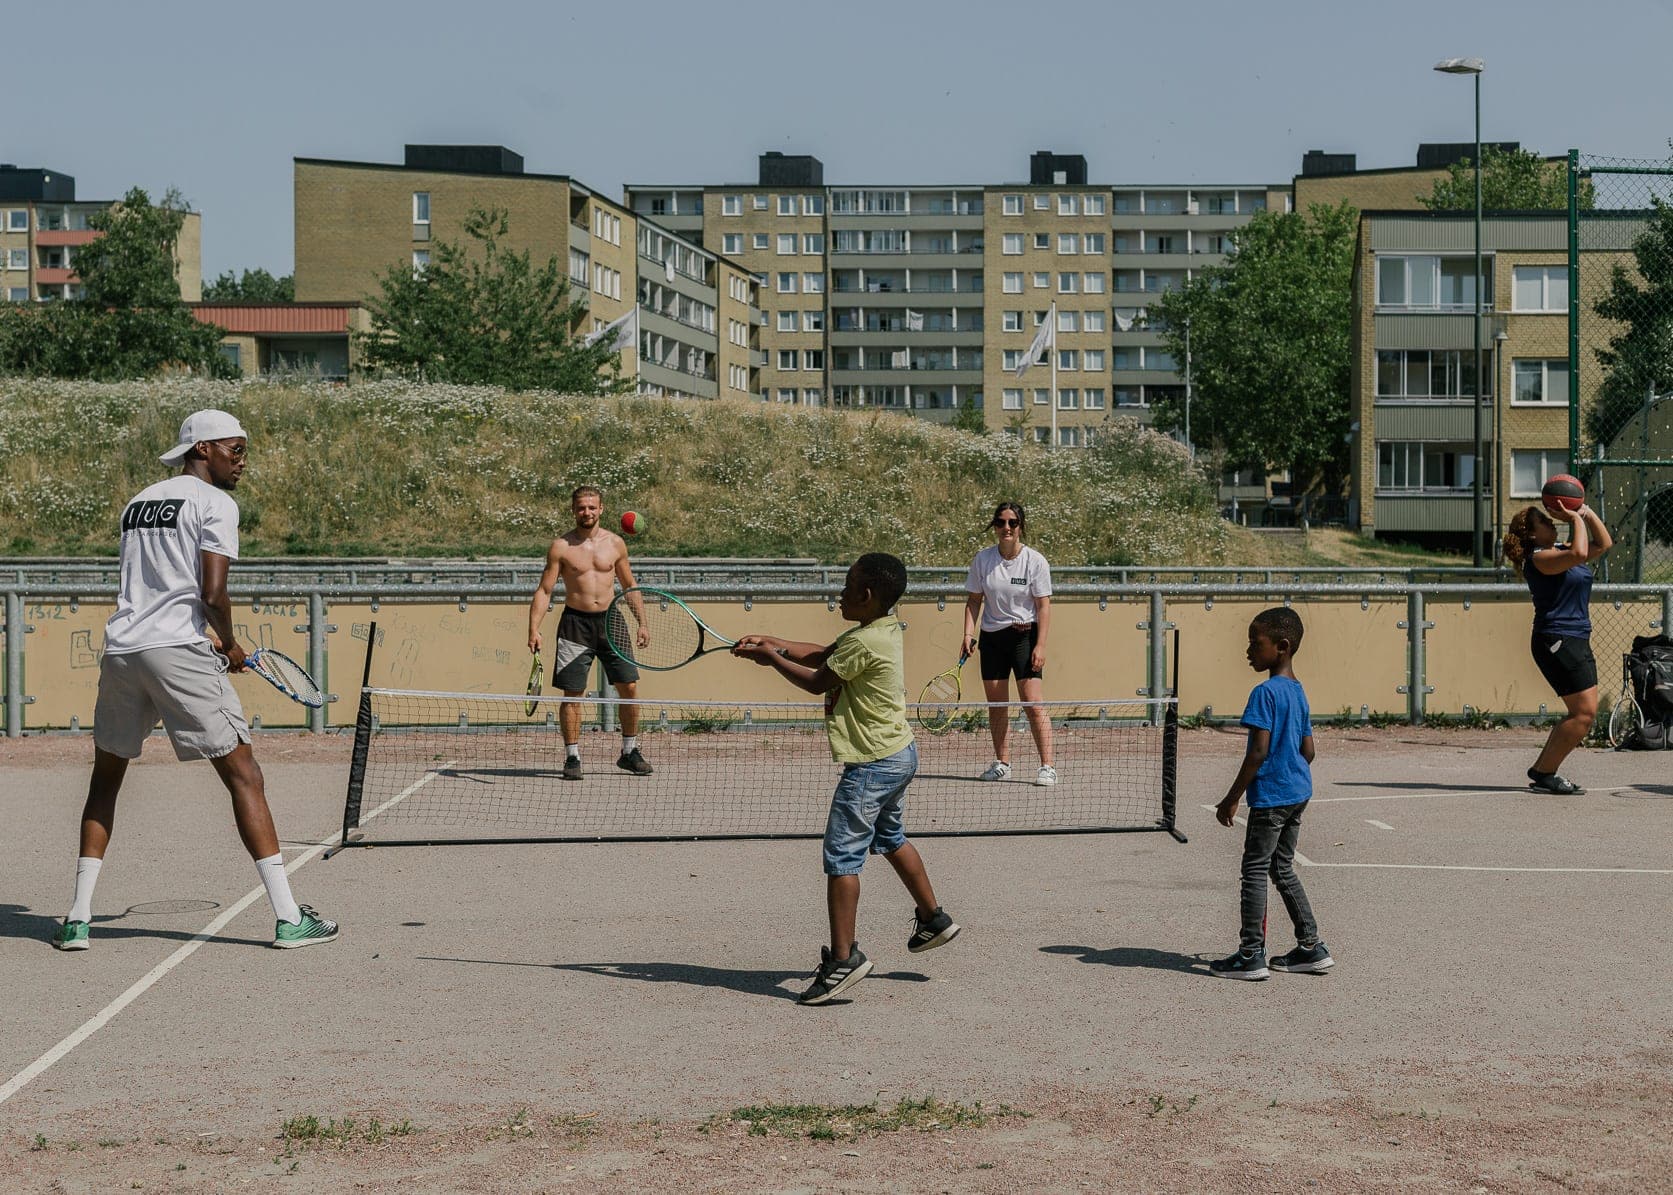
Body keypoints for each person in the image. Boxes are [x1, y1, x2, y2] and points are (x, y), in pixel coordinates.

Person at [54, 409, 338, 952]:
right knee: (245, 776)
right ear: (202, 448)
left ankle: (76, 919)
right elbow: (211, 594)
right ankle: (288, 918)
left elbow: (157, 586)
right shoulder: (215, 504)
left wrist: (202, 635)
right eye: (235, 449)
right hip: (177, 653)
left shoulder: (138, 502)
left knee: (105, 780)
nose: (242, 460)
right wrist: (228, 643)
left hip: (122, 649)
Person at [732, 553, 960, 1005]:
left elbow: (817, 680)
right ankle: (933, 918)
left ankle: (842, 961)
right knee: (891, 837)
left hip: (872, 764)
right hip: (899, 755)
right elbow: (825, 655)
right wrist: (774, 643)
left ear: (867, 594)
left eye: (848, 584)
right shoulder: (879, 630)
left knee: (841, 856)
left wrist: (771, 659)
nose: (840, 591)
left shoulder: (865, 642)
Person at [1211, 607, 1331, 981]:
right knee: (1282, 869)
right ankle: (1311, 947)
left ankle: (1251, 954)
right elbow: (1308, 751)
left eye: (1254, 643)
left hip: (1272, 799)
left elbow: (1258, 752)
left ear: (1282, 646)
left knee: (1254, 870)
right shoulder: (1298, 691)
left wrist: (1232, 797)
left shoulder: (1264, 693)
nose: (1248, 650)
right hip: (1298, 793)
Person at [527, 485, 652, 781]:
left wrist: (642, 622)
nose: (587, 512)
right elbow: (545, 590)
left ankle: (629, 752)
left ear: (601, 509)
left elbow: (629, 585)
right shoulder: (561, 546)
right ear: (573, 510)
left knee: (629, 687)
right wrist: (534, 628)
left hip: (612, 621)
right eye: (581, 507)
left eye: (592, 507)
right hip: (575, 625)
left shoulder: (616, 543)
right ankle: (572, 757)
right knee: (573, 694)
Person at [1502, 502, 1613, 795]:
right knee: (1584, 714)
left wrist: (1586, 512)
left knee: (1583, 714)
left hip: (1575, 637)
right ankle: (1544, 772)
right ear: (1533, 535)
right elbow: (1578, 553)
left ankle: (1543, 771)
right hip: (1556, 639)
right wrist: (1575, 517)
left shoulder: (1559, 551)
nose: (1552, 524)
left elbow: (1603, 543)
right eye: (1545, 522)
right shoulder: (1539, 559)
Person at [962, 501, 1055, 786]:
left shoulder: (1034, 561)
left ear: (1020, 526)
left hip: (1024, 637)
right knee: (997, 704)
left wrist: (1040, 646)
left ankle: (1047, 766)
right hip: (991, 639)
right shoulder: (983, 560)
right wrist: (967, 634)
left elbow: (1043, 606)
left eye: (1012, 523)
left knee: (1032, 703)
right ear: (995, 526)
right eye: (1001, 522)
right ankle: (1002, 763)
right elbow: (974, 601)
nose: (1006, 528)